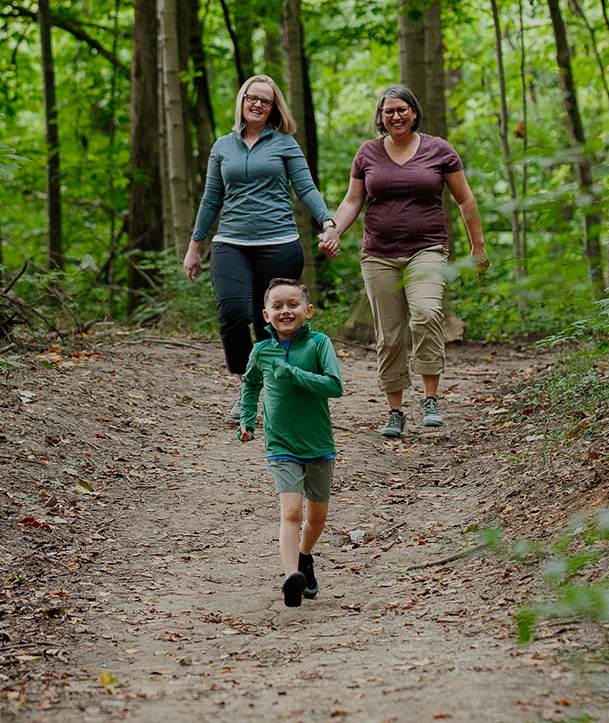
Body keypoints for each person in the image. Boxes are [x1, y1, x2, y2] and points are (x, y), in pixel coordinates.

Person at [317, 84, 489, 438]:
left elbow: (465, 199)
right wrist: (334, 230)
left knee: (426, 314)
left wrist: (478, 246)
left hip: (427, 249)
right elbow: (352, 201)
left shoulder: (439, 150)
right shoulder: (367, 154)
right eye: (388, 111)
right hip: (378, 255)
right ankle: (394, 410)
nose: (395, 116)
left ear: (413, 112)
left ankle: (429, 399)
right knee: (390, 335)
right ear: (380, 117)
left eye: (402, 109)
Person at [183, 75, 340, 418]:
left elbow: (306, 188)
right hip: (230, 243)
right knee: (233, 314)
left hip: (279, 243)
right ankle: (246, 386)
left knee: (268, 320)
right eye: (251, 98)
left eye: (265, 101)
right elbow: (211, 199)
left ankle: (275, 386)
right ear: (241, 101)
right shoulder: (223, 146)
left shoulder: (285, 144)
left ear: (273, 109)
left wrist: (328, 223)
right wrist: (195, 245)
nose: (257, 105)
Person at [238, 278, 343, 607]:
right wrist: (246, 419)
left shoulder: (319, 344)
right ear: (266, 315)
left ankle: (303, 557)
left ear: (307, 310)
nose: (286, 311)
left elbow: (334, 386)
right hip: (280, 445)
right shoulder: (261, 350)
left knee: (317, 520)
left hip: (318, 443)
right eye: (278, 306)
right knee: (292, 513)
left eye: (293, 305)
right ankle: (290, 579)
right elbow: (250, 383)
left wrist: (293, 374)